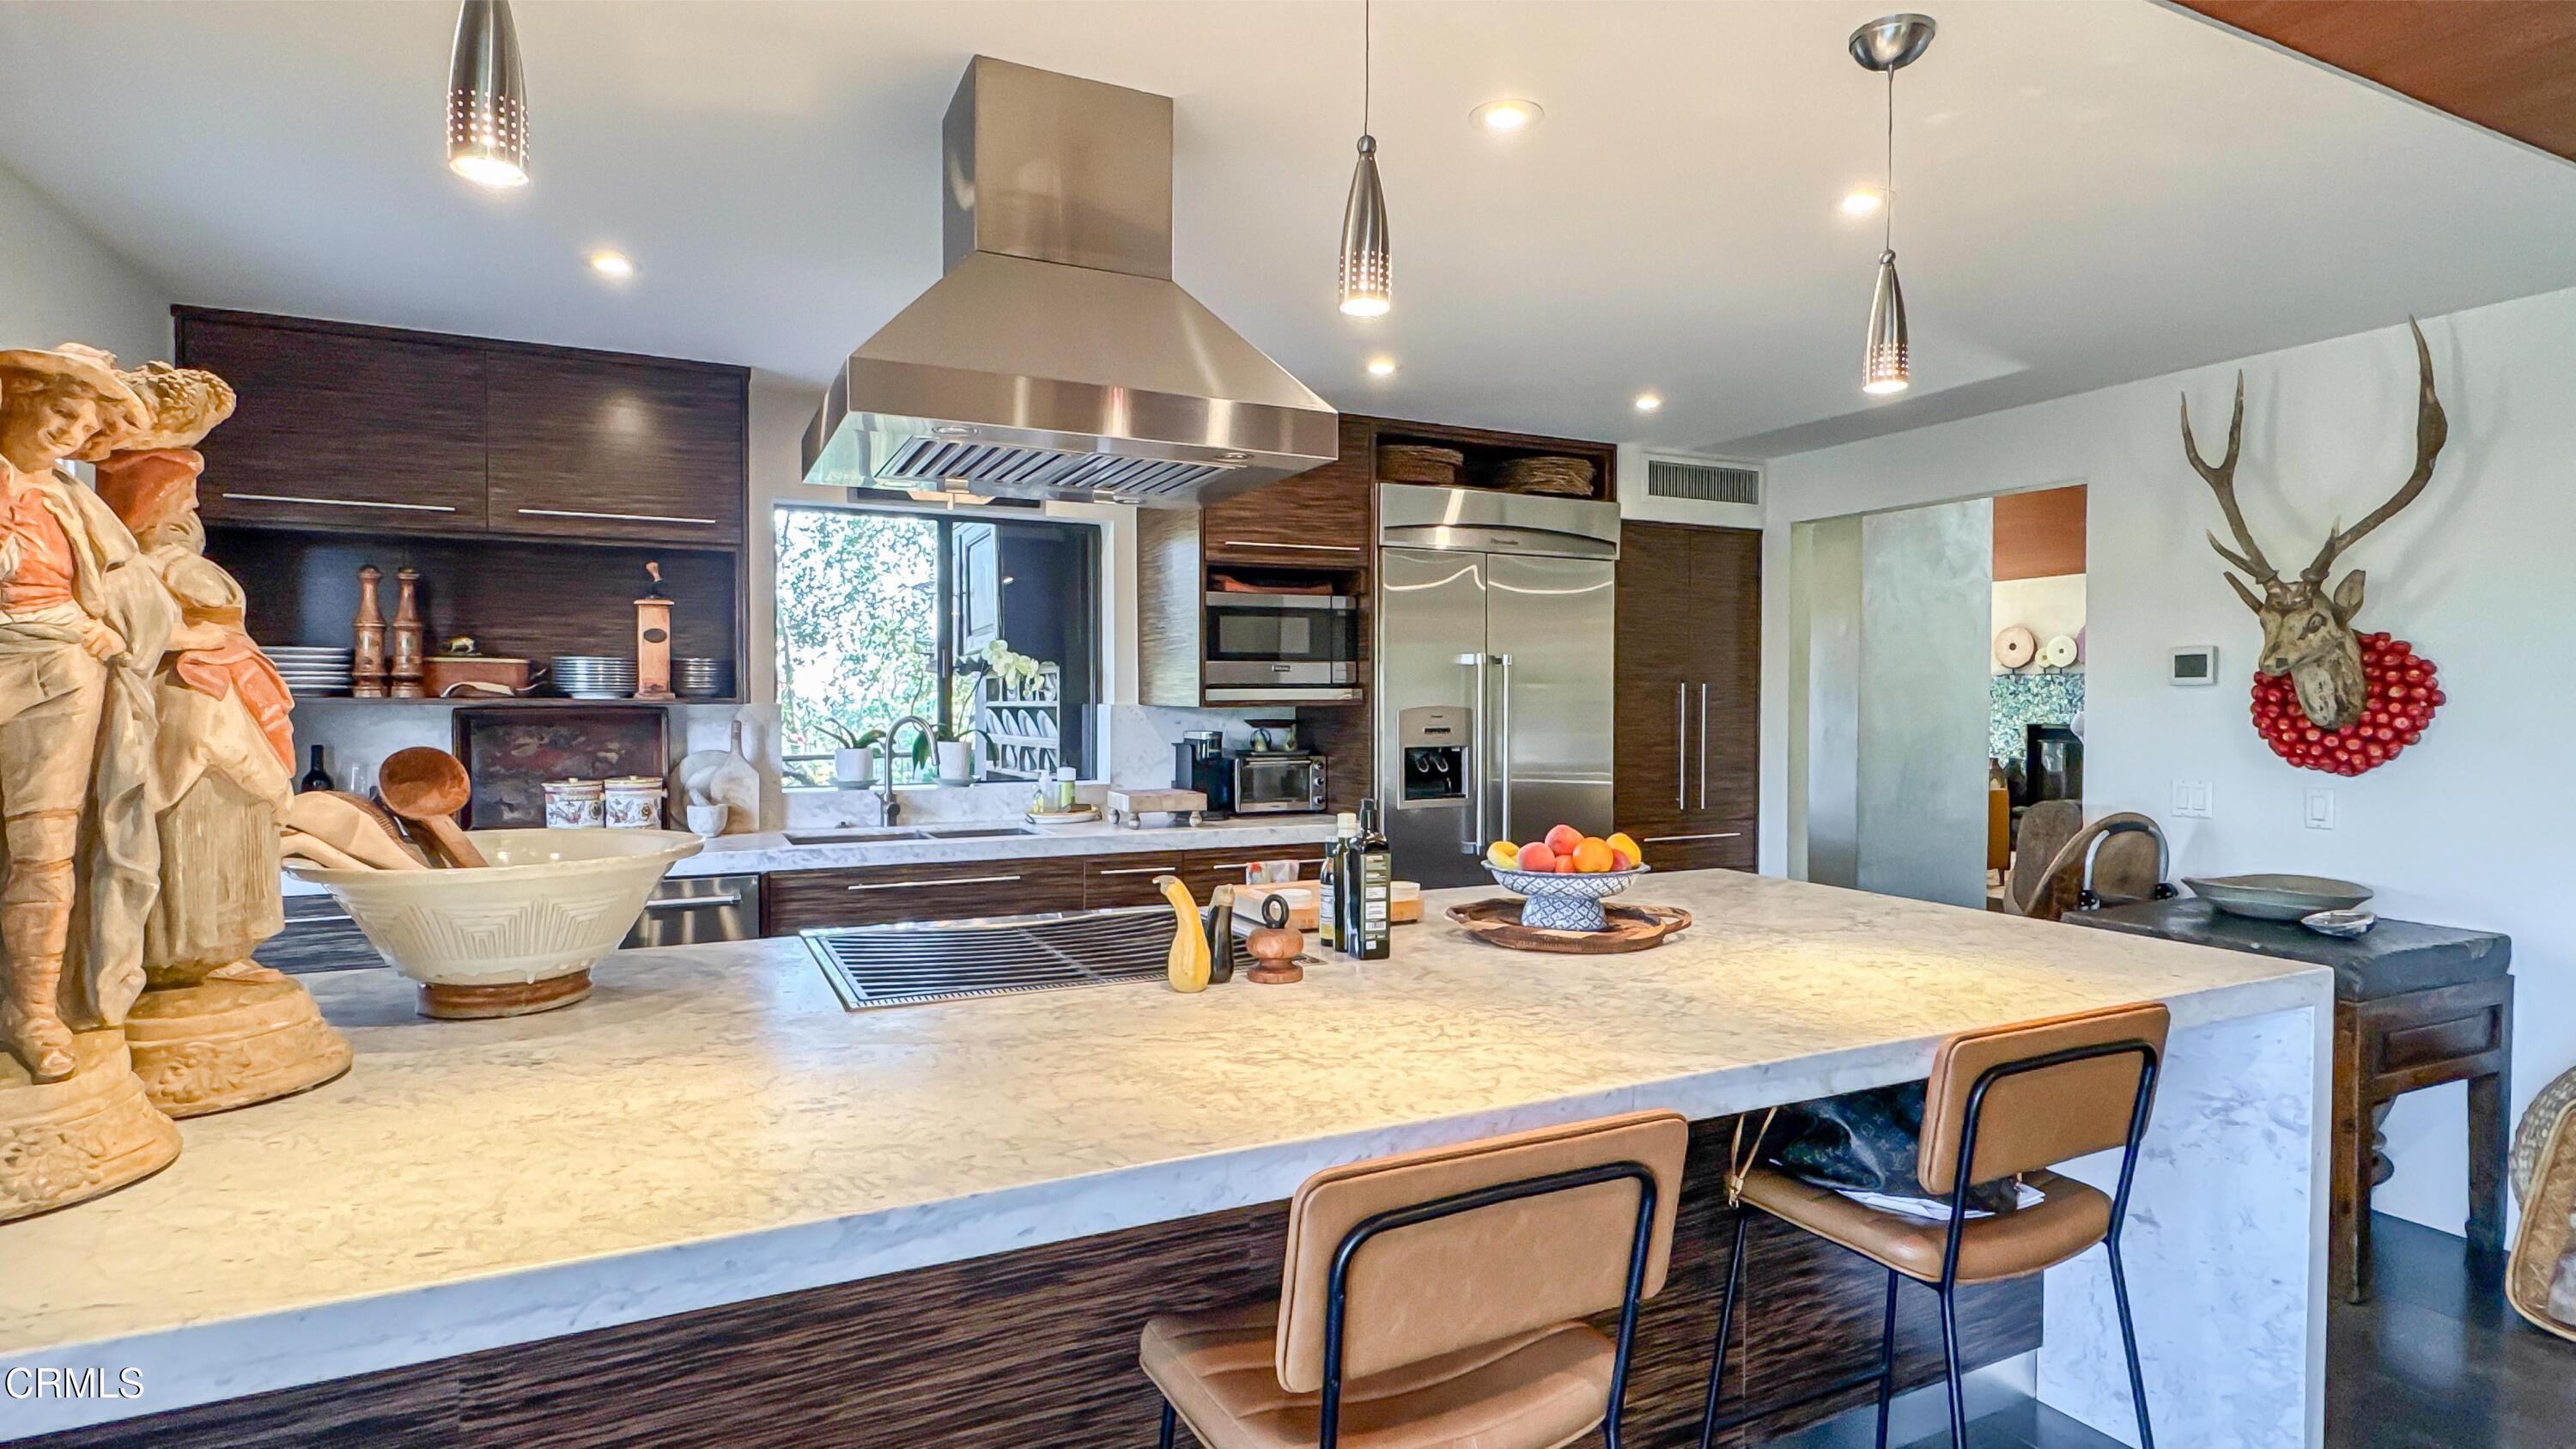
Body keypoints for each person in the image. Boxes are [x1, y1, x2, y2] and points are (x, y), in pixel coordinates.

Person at [89, 363, 298, 986]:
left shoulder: (167, 564)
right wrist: (196, 637)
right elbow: (126, 630)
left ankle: (223, 945)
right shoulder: (133, 570)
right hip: (183, 709)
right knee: (188, 819)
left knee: (233, 817)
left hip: (215, 702)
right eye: (184, 494)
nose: (196, 504)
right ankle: (178, 951)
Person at [0, 344, 173, 1082]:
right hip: (48, 646)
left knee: (45, 844)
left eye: (84, 425)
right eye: (60, 412)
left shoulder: (73, 503)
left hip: (65, 673)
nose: (69, 433)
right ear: (17, 397)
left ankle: (34, 1009)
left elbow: (126, 593)